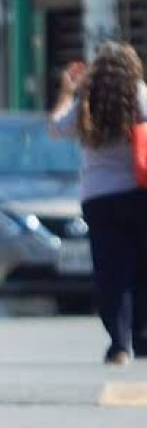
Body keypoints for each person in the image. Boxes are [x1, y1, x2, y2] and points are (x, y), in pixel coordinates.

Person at [49, 40, 147, 365]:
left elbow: (55, 128)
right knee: (141, 268)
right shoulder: (141, 95)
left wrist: (67, 91)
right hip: (139, 192)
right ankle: (142, 335)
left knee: (111, 271)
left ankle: (120, 343)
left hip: (99, 198)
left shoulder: (86, 103)